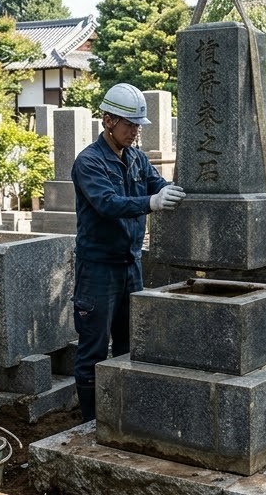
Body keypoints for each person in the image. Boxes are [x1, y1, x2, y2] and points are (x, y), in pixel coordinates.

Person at [70, 83, 186, 422]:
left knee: (129, 343)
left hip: (130, 264)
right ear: (107, 120)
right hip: (98, 268)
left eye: (137, 125)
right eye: (129, 125)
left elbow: (155, 182)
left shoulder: (136, 158)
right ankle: (90, 422)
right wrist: (151, 203)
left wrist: (170, 190)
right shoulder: (89, 162)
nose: (134, 132)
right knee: (93, 348)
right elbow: (107, 204)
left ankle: (123, 416)